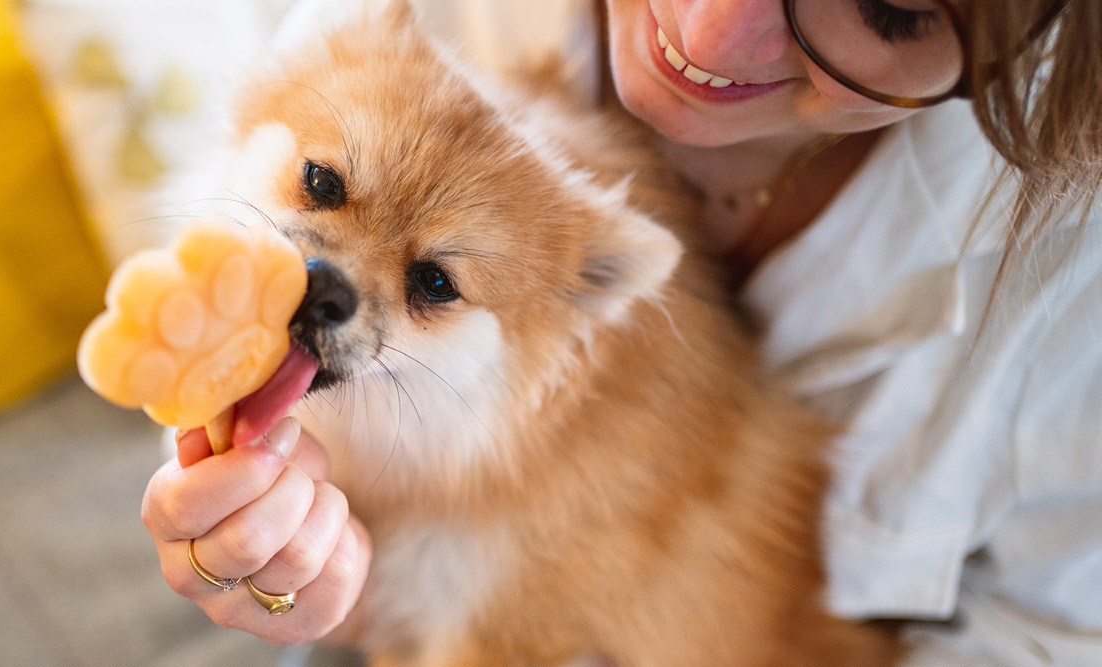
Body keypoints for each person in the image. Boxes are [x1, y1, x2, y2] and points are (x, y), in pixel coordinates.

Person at [140, 0, 1102, 664]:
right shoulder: (388, 33)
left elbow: (1057, 636)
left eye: (886, 6)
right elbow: (215, 238)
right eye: (327, 189)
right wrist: (268, 562)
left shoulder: (1074, 275)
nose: (713, 31)